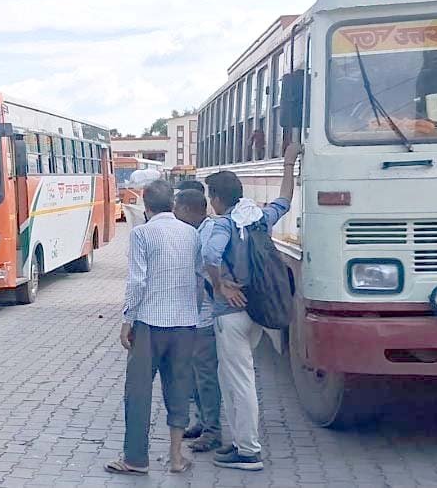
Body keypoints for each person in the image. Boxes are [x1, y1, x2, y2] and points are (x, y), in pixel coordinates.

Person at [202, 142, 299, 471]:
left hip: (230, 314)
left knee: (238, 380)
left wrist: (220, 285)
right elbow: (285, 201)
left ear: (216, 198)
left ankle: (249, 451)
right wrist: (288, 164)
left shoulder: (223, 224)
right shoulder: (258, 219)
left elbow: (210, 255)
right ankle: (240, 443)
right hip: (256, 309)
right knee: (236, 378)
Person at [105, 180, 199, 476]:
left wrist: (126, 320)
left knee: (138, 391)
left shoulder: (141, 234)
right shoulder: (191, 234)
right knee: (179, 388)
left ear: (145, 206)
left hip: (149, 324)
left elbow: (137, 281)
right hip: (186, 323)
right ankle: (175, 456)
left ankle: (135, 458)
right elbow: (197, 277)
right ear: (172, 204)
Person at [172, 188, 223, 453]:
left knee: (205, 376)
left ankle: (213, 430)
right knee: (195, 374)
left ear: (189, 210)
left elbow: (208, 274)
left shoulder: (207, 234)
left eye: (177, 209)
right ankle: (203, 422)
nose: (174, 214)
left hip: (206, 317)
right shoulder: (197, 232)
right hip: (194, 316)